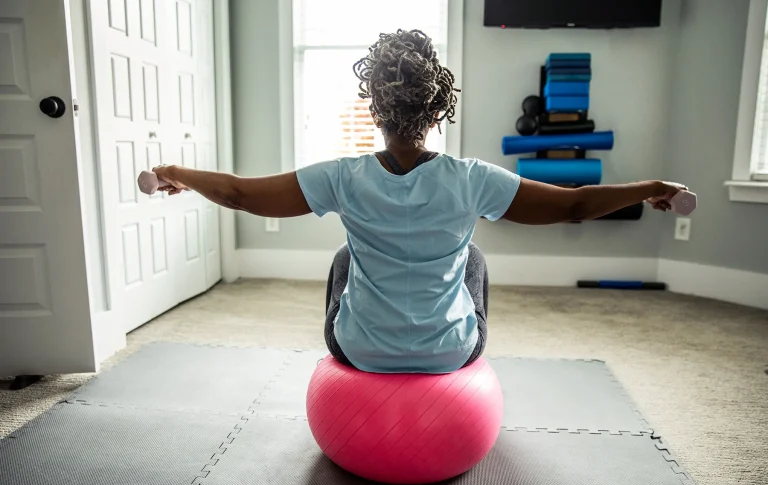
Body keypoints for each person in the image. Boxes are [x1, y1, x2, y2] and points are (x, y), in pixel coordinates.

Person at [151, 29, 686, 375]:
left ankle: (367, 341)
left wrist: (175, 173)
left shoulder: (342, 175)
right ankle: (450, 349)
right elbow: (574, 205)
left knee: (344, 256)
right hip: (450, 354)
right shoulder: (472, 178)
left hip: (358, 353)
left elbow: (241, 194)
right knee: (472, 257)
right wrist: (650, 188)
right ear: (437, 112)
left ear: (376, 111)